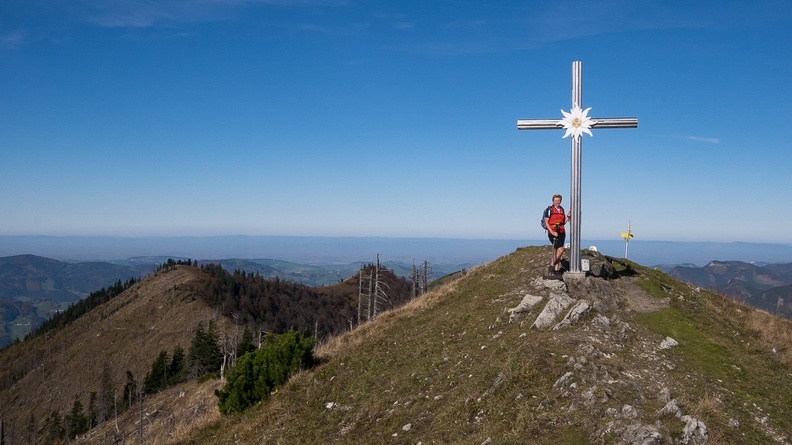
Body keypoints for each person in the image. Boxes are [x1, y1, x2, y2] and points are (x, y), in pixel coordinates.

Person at [543, 194, 571, 274]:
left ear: (561, 201)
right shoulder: (549, 210)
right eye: (555, 200)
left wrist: (568, 217)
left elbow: (563, 223)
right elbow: (546, 222)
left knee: (558, 251)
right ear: (553, 201)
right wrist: (552, 232)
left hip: (562, 232)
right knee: (561, 250)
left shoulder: (562, 210)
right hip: (553, 232)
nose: (557, 202)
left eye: (558, 200)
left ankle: (556, 270)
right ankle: (552, 265)